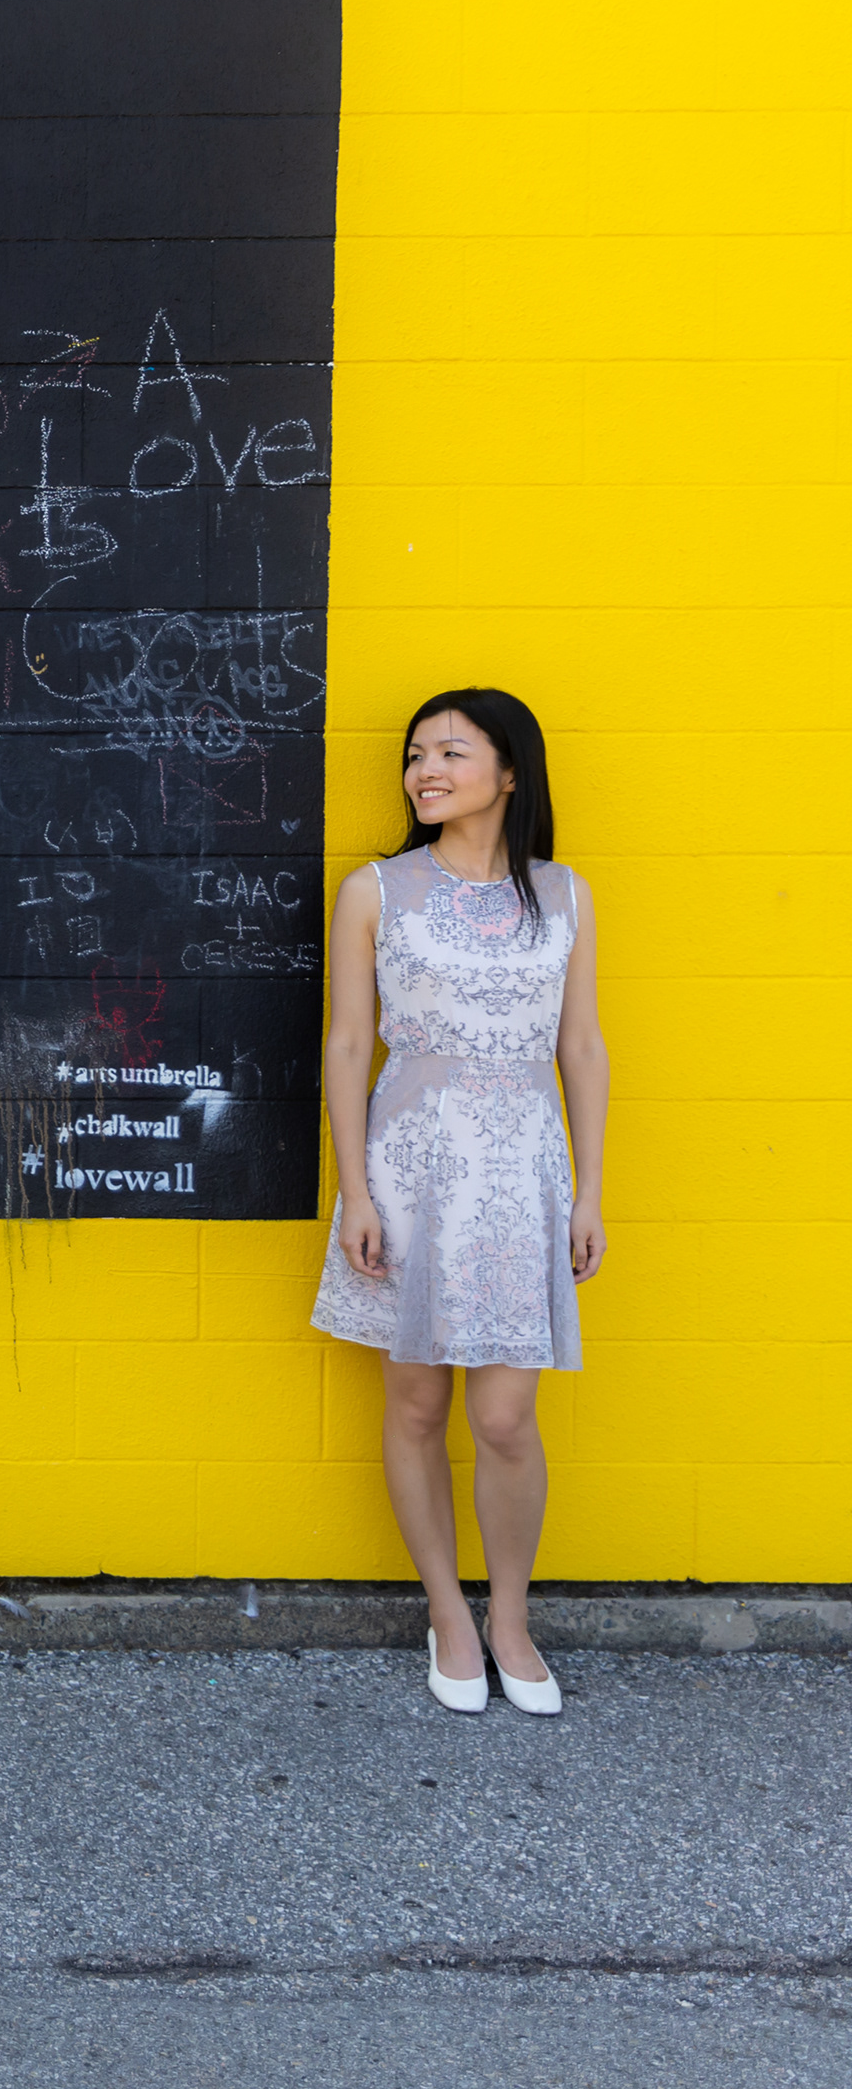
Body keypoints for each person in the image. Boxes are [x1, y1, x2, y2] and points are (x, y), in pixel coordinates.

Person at [313, 688, 609, 1718]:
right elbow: (349, 1043)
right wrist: (355, 1190)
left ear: (510, 771)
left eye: (449, 752)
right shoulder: (377, 891)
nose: (424, 771)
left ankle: (511, 1619)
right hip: (409, 1166)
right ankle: (448, 1612)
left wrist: (591, 1191)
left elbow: (582, 1046)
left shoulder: (565, 895)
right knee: (415, 1404)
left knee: (506, 1415)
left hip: (523, 1170)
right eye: (414, 755)